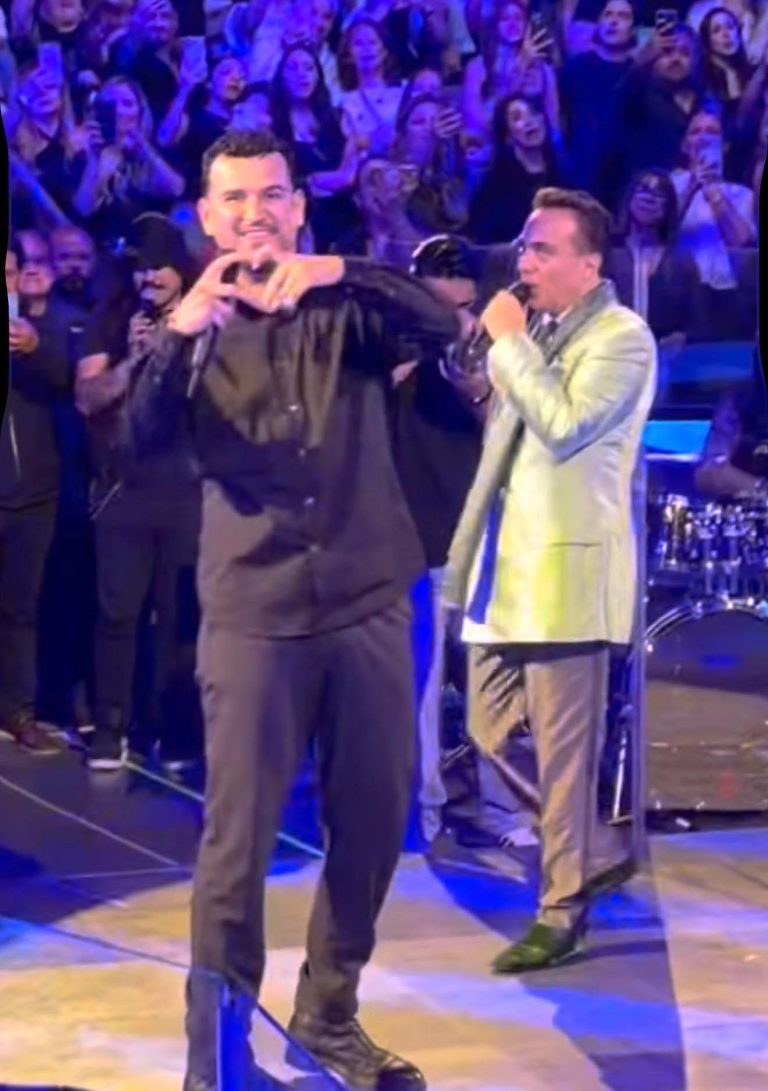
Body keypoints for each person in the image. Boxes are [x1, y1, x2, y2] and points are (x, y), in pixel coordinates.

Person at [123, 128, 458, 1090]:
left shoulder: (344, 304)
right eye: (234, 198)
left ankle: (328, 1017)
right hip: (253, 614)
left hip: (367, 599)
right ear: (206, 215)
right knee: (237, 844)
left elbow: (440, 326)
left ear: (299, 206)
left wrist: (338, 268)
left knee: (375, 818)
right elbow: (137, 444)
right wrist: (180, 332)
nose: (254, 214)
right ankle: (217, 1058)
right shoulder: (188, 331)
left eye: (272, 195)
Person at [443, 187, 657, 972]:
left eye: (543, 249)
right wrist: (488, 362)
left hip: (568, 573)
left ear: (588, 265)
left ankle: (562, 910)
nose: (524, 260)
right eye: (524, 246)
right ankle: (592, 843)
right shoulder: (535, 331)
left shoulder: (622, 337)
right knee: (487, 728)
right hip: (506, 571)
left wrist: (508, 344)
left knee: (565, 756)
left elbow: (565, 426)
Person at [75, 213, 203, 772]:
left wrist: (176, 345)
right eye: (140, 268)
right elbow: (88, 399)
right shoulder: (111, 320)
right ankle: (111, 729)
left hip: (188, 491)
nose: (149, 278)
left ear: (180, 269)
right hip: (123, 492)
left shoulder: (206, 319)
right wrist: (135, 359)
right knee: (117, 614)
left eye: (159, 267)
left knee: (179, 622)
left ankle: (173, 732)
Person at [391, 234, 485, 843]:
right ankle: (422, 814)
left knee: (492, 681)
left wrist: (475, 379)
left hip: (477, 536)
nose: (453, 321)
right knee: (420, 683)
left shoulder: (492, 350)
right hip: (410, 541)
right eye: (438, 307)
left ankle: (500, 805)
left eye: (462, 307)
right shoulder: (389, 348)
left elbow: (510, 424)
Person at [0, 234, 80, 755]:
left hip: (34, 493)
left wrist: (34, 350)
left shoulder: (45, 329)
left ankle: (18, 710)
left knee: (22, 609)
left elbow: (68, 382)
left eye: (10, 273)